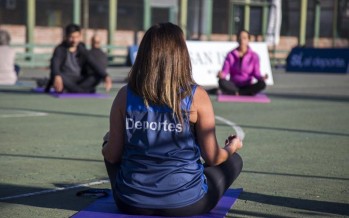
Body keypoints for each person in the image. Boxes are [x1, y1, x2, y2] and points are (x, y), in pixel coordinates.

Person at [102, 22, 243, 217]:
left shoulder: (124, 95)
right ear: (180, 55)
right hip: (187, 203)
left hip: (131, 202)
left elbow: (112, 156)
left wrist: (108, 142)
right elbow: (213, 157)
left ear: (144, 55)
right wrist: (232, 147)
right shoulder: (197, 96)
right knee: (233, 160)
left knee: (109, 141)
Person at [45, 24, 112, 93]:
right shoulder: (60, 49)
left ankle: (75, 90)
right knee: (57, 76)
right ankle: (82, 90)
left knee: (97, 76)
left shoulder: (82, 49)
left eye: (77, 37)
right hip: (66, 79)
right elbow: (55, 65)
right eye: (71, 37)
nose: (74, 40)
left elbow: (93, 63)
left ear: (80, 37)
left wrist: (106, 76)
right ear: (66, 37)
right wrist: (57, 75)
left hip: (79, 79)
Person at [217, 29, 267, 96]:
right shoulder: (230, 55)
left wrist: (261, 78)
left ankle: (238, 92)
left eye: (244, 38)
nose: (242, 40)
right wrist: (221, 75)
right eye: (240, 38)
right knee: (221, 82)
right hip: (233, 85)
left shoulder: (254, 56)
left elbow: (256, 73)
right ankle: (240, 92)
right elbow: (225, 71)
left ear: (248, 40)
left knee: (262, 84)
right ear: (237, 39)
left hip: (247, 85)